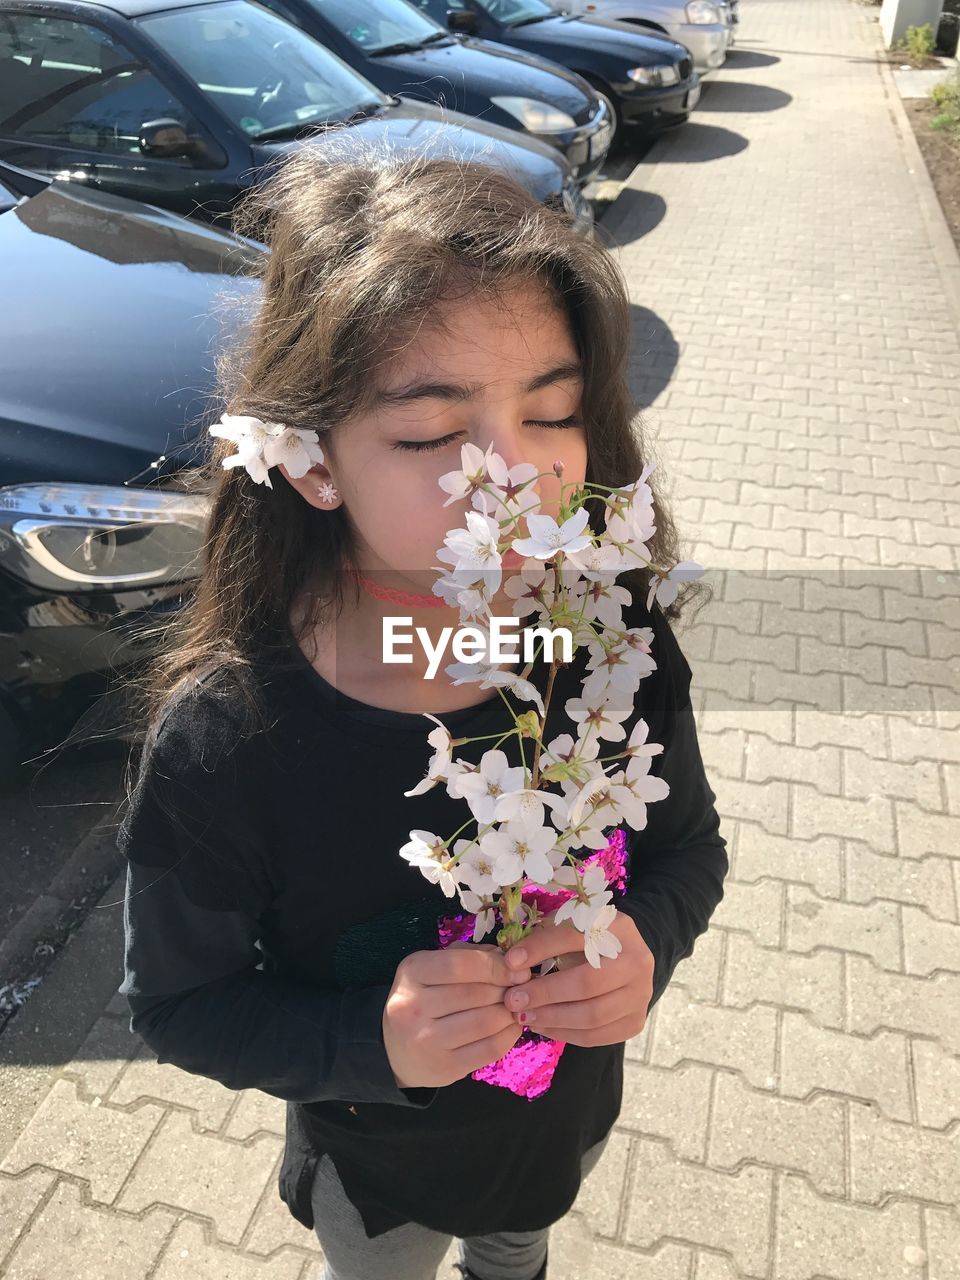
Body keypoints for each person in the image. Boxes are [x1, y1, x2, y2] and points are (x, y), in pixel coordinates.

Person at [118, 145, 729, 1280]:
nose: (515, 479)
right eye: (428, 433)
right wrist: (371, 1040)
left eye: (552, 412)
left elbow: (685, 849)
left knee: (518, 1249)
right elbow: (182, 1003)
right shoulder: (230, 736)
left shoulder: (610, 650)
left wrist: (646, 940)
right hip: (377, 1171)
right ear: (309, 463)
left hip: (557, 1128)